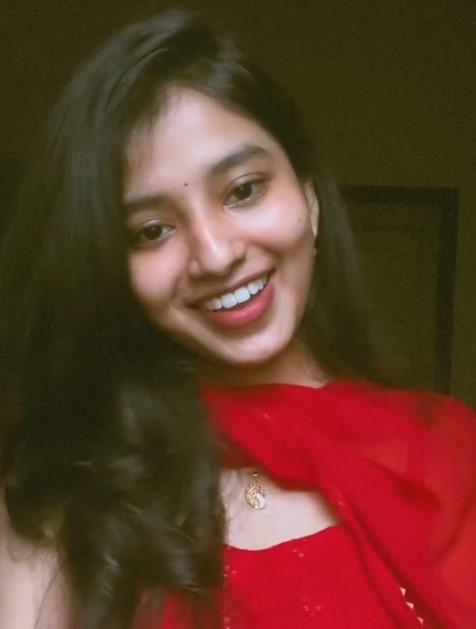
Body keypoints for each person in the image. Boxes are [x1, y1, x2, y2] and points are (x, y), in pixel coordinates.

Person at [0, 9, 475, 629]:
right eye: (151, 230)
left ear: (307, 194)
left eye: (244, 189)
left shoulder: (452, 456)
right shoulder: (64, 491)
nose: (217, 255)